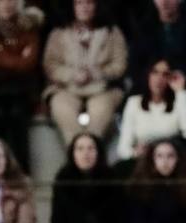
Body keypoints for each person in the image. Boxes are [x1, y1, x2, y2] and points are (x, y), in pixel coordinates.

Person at [42, 0, 127, 146]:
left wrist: (97, 73)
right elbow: (51, 64)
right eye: (79, 3)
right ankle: (76, 150)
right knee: (62, 108)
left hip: (103, 89)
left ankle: (94, 150)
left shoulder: (112, 32)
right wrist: (72, 75)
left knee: (100, 111)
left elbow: (120, 64)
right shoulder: (59, 33)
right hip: (66, 88)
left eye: (89, 3)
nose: (84, 7)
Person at [0, 0, 45, 172]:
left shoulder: (29, 27)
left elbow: (29, 63)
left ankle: (21, 174)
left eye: (11, 0)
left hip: (23, 90)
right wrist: (17, 57)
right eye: (1, 0)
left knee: (18, 116)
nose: (6, 4)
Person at [47, 130, 128, 223]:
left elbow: (119, 222)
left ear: (98, 152)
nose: (86, 154)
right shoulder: (63, 180)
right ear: (72, 153)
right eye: (80, 149)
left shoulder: (111, 179)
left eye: (91, 148)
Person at [125, 0, 186, 104]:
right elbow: (135, 65)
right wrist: (151, 88)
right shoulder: (144, 26)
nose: (164, 2)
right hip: (151, 90)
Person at [116, 57, 186, 162]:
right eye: (154, 72)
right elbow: (123, 148)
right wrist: (134, 153)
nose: (159, 79)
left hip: (172, 161)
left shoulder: (179, 100)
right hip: (143, 161)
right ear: (147, 75)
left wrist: (180, 91)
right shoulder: (133, 102)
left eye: (165, 74)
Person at [127, 136, 186, 223]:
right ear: (151, 159)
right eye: (159, 156)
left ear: (178, 159)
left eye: (170, 156)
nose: (165, 162)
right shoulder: (140, 188)